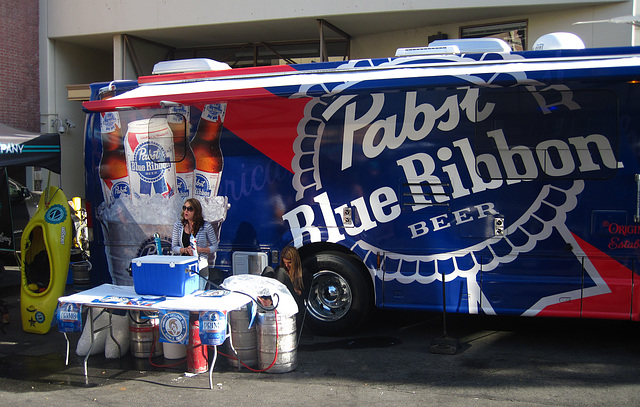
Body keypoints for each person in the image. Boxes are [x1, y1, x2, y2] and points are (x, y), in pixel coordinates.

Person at [171, 197, 218, 289]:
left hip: (200, 265)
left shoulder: (206, 226)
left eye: (190, 209)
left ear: (196, 211)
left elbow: (215, 246)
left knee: (198, 293)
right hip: (184, 265)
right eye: (184, 208)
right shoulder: (178, 225)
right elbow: (174, 247)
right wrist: (184, 250)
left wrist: (200, 249)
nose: (186, 211)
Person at [262, 246, 305, 320]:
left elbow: (306, 295)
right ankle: (263, 298)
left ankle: (270, 300)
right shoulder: (279, 269)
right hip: (279, 296)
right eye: (284, 262)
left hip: (293, 300)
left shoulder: (303, 272)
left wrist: (298, 291)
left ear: (295, 261)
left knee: (281, 271)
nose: (286, 265)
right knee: (268, 269)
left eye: (289, 263)